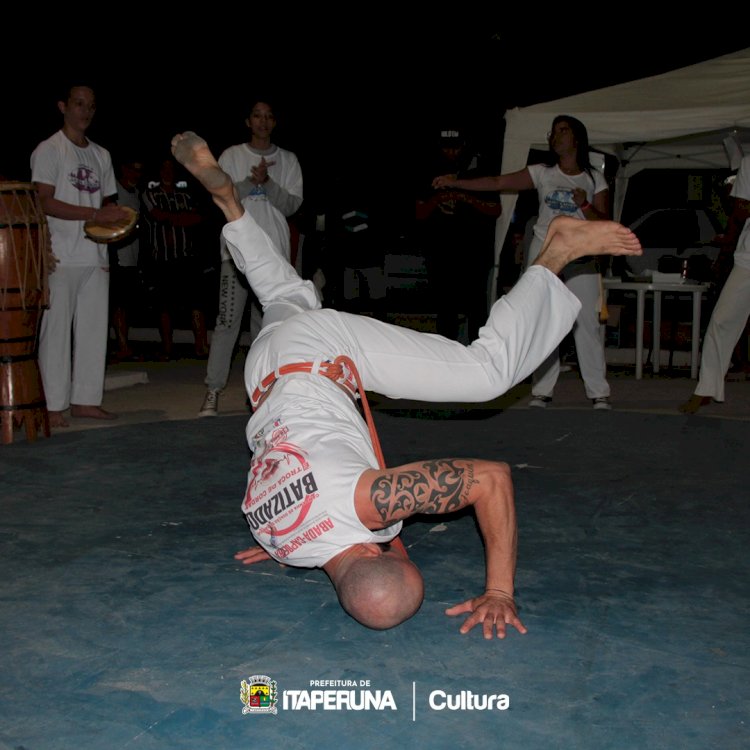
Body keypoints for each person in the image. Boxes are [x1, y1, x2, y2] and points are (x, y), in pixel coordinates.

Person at [171, 131, 642, 636]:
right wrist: (282, 548)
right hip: (264, 368)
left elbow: (492, 479)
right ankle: (231, 206)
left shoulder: (369, 501)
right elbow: (316, 528)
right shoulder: (276, 534)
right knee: (284, 291)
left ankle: (556, 252)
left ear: (384, 550)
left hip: (321, 355)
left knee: (488, 373)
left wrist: (499, 592)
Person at [433, 115, 613, 409]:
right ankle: (542, 390)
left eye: (562, 131)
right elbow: (497, 181)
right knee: (542, 322)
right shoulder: (542, 172)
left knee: (587, 323)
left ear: (577, 138)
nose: (556, 137)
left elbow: (604, 222)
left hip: (581, 255)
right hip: (545, 255)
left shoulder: (593, 179)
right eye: (553, 132)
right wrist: (457, 181)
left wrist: (585, 204)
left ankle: (599, 392)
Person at [30, 83, 130, 429]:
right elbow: (43, 201)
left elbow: (105, 204)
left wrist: (116, 217)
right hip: (60, 252)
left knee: (92, 328)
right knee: (56, 330)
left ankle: (86, 400)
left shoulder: (101, 154)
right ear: (63, 106)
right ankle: (53, 403)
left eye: (91, 106)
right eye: (78, 104)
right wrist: (93, 216)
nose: (85, 111)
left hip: (95, 253)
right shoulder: (49, 149)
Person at [199, 98, 303, 417]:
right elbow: (220, 196)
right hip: (236, 253)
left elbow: (291, 206)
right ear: (248, 121)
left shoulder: (288, 160)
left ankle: (260, 396)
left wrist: (268, 183)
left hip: (274, 258)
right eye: (257, 116)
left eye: (269, 116)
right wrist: (249, 182)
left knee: (268, 327)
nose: (263, 121)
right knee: (228, 321)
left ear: (275, 122)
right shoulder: (231, 155)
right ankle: (213, 391)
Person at [679, 154, 750, 414]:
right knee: (722, 320)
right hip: (748, 260)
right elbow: (740, 211)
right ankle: (706, 389)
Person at [415, 128, 501, 341]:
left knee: (477, 307)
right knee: (445, 307)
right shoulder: (429, 169)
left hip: (474, 250)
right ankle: (447, 354)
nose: (451, 152)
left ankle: (478, 352)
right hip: (441, 250)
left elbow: (495, 208)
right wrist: (438, 202)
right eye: (446, 147)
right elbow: (419, 212)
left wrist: (464, 198)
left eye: (456, 147)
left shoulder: (480, 169)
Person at [141, 156, 211, 360]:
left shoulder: (185, 195)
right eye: (164, 168)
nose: (167, 172)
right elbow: (157, 215)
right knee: (164, 305)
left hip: (186, 257)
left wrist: (174, 220)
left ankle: (201, 346)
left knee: (196, 302)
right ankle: (167, 348)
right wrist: (179, 219)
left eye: (171, 168)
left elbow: (198, 218)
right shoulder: (149, 193)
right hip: (162, 259)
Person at [108, 155, 144, 362]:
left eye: (139, 171)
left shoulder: (136, 193)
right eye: (133, 169)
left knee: (126, 304)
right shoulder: (113, 190)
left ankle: (124, 344)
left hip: (132, 256)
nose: (136, 175)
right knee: (117, 304)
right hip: (116, 256)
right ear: (124, 169)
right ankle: (122, 346)